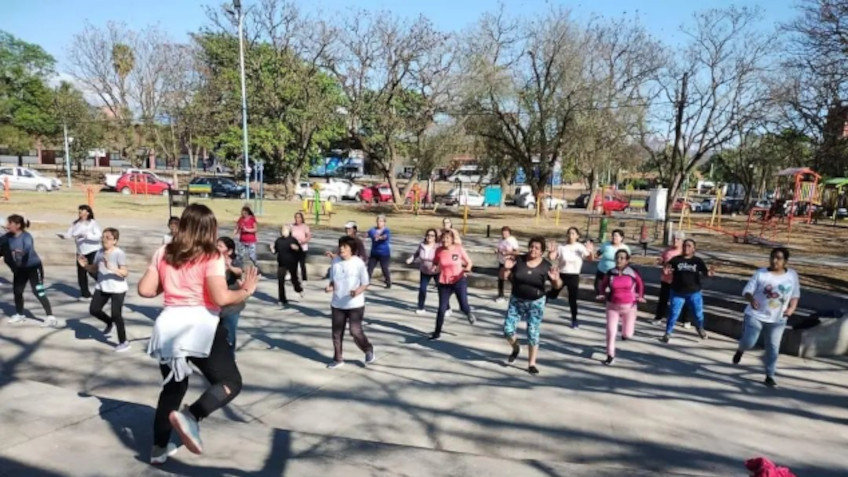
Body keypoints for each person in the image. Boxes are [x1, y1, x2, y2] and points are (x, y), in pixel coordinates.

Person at [139, 204, 258, 464]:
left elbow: (146, 290)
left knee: (172, 389)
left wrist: (166, 276)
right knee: (230, 382)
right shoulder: (211, 255)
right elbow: (221, 297)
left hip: (168, 329)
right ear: (209, 229)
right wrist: (246, 290)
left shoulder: (163, 251)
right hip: (200, 327)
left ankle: (158, 448)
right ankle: (192, 415)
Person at [733, 247, 800, 387]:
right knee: (749, 342)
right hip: (755, 315)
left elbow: (795, 294)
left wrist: (792, 308)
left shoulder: (792, 275)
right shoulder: (761, 273)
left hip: (778, 319)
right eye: (773, 257)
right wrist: (751, 299)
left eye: (779, 258)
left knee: (773, 347)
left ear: (785, 261)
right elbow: (746, 291)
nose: (775, 261)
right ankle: (741, 349)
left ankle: (770, 375)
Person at [500, 237, 562, 375]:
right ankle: (516, 348)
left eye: (537, 248)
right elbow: (503, 276)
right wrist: (506, 268)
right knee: (507, 330)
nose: (533, 250)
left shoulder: (546, 266)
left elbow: (558, 286)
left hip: (536, 302)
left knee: (532, 333)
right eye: (531, 246)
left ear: (542, 251)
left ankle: (531, 364)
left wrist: (556, 279)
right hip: (517, 300)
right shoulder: (519, 261)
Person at [325, 235, 375, 369]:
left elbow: (365, 283)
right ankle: (338, 359)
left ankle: (368, 349)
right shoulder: (335, 261)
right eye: (340, 246)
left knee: (355, 331)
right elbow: (333, 281)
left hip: (355, 304)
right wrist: (330, 287)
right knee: (336, 333)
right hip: (337, 304)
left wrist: (357, 291)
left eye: (345, 247)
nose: (341, 249)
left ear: (351, 249)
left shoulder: (358, 263)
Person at [79, 227, 130, 351]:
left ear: (115, 241)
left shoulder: (119, 253)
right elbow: (94, 269)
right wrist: (85, 265)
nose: (104, 240)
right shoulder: (99, 252)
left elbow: (125, 272)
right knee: (94, 310)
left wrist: (111, 268)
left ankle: (124, 342)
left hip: (117, 289)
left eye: (108, 238)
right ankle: (108, 322)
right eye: (103, 237)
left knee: (116, 314)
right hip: (102, 286)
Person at [4, 215, 58, 327]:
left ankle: (50, 317)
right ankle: (20, 314)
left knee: (38, 290)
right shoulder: (7, 237)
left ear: (18, 225)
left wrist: (22, 256)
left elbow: (28, 248)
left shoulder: (26, 236)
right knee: (17, 292)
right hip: (20, 269)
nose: (7, 225)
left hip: (34, 267)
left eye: (10, 223)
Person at [596, 250, 645, 365]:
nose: (619, 260)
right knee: (611, 331)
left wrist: (640, 296)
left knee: (628, 334)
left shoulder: (632, 272)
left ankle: (624, 334)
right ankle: (610, 355)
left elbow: (640, 284)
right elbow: (602, 284)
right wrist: (601, 293)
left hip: (630, 307)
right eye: (617, 257)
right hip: (612, 306)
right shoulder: (610, 272)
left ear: (627, 260)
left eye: (622, 258)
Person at [661, 239, 715, 343]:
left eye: (689, 246)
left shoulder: (697, 261)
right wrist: (665, 269)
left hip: (694, 293)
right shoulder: (675, 260)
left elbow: (705, 273)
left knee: (698, 314)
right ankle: (668, 333)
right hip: (677, 292)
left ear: (694, 249)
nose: (686, 248)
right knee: (673, 313)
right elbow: (667, 268)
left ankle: (700, 328)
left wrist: (709, 273)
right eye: (685, 246)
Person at [430, 228, 476, 340]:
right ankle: (437, 332)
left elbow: (469, 262)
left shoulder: (458, 249)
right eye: (443, 238)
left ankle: (468, 313)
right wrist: (434, 267)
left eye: (447, 238)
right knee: (441, 309)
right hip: (444, 282)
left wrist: (467, 269)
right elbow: (435, 261)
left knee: (463, 305)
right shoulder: (439, 250)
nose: (445, 240)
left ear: (452, 240)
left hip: (459, 280)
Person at [546, 227, 594, 328]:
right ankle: (544, 297)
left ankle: (574, 319)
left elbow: (590, 259)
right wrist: (550, 251)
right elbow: (551, 257)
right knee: (554, 294)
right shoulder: (562, 247)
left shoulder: (580, 247)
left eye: (573, 234)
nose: (570, 236)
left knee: (572, 299)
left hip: (574, 275)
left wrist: (591, 252)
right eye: (569, 233)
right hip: (562, 274)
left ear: (577, 236)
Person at [59, 205, 102, 300]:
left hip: (92, 250)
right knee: (81, 273)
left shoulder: (92, 223)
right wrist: (64, 236)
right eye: (79, 212)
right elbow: (70, 234)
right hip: (81, 252)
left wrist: (86, 235)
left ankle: (105, 285)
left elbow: (98, 236)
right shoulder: (75, 223)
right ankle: (85, 294)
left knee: (92, 271)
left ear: (88, 213)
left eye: (82, 211)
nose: (80, 213)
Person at [652, 231, 691, 328]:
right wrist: (660, 262)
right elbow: (662, 260)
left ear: (682, 241)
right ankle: (658, 317)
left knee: (684, 300)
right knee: (663, 299)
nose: (675, 241)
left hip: (681, 281)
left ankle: (686, 320)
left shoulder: (684, 252)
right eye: (673, 238)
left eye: (678, 239)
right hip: (666, 279)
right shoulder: (667, 251)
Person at [216, 237, 245, 354]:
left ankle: (230, 357)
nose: (217, 248)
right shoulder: (213, 260)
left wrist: (229, 267)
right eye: (216, 245)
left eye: (220, 246)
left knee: (229, 334)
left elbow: (239, 271)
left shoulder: (235, 261)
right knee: (216, 334)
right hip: (216, 303)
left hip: (231, 305)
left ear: (230, 251)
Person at [406, 228, 440, 314]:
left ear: (435, 237)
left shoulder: (438, 246)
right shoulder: (422, 245)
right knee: (422, 289)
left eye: (432, 235)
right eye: (428, 235)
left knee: (441, 290)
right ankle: (421, 307)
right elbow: (417, 253)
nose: (429, 237)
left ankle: (446, 307)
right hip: (424, 271)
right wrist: (411, 259)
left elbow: (442, 256)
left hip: (436, 271)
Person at [271, 225, 303, 308]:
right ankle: (282, 299)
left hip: (292, 262)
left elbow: (300, 251)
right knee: (280, 281)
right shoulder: (278, 240)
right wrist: (272, 250)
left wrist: (296, 248)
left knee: (294, 279)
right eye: (281, 229)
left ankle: (299, 289)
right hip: (282, 263)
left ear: (289, 231)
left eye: (284, 229)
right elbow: (275, 251)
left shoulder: (293, 240)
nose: (282, 231)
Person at [594, 229, 630, 294]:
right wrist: (592, 253)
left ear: (621, 238)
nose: (614, 237)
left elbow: (628, 260)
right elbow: (598, 253)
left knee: (614, 292)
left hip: (615, 273)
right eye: (613, 235)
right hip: (602, 271)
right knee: (598, 289)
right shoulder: (606, 245)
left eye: (616, 236)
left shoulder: (625, 248)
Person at [494, 226, 520, 303]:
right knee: (500, 278)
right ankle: (500, 295)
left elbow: (517, 252)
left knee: (511, 278)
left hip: (510, 262)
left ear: (509, 233)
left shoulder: (512, 240)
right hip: (502, 262)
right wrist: (497, 250)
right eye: (503, 233)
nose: (504, 235)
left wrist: (508, 252)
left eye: (506, 233)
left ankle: (517, 293)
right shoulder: (501, 240)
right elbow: (499, 248)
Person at [366, 215, 392, 288]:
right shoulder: (372, 230)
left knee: (384, 268)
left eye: (381, 221)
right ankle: (366, 282)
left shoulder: (386, 230)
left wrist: (380, 237)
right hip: (374, 253)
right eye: (378, 221)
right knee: (369, 268)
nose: (379, 222)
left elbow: (385, 236)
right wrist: (363, 237)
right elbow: (367, 234)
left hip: (384, 254)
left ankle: (388, 282)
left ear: (384, 222)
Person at [291, 212, 312, 281]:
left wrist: (304, 241)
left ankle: (304, 278)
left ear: (302, 218)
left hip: (303, 247)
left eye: (299, 217)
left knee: (302, 263)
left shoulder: (305, 227)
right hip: (294, 247)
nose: (297, 219)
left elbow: (309, 236)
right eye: (296, 217)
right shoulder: (292, 226)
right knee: (294, 263)